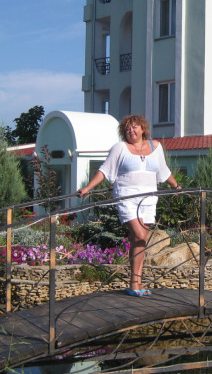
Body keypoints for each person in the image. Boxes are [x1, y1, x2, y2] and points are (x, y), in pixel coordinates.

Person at [78, 115, 181, 297]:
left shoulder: (155, 147)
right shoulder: (120, 148)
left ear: (142, 129)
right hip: (127, 198)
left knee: (139, 241)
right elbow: (104, 170)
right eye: (127, 129)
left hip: (149, 199)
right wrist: (88, 188)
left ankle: (136, 284)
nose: (131, 131)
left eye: (134, 127)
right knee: (140, 235)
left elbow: (164, 171)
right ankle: (134, 283)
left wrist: (176, 186)